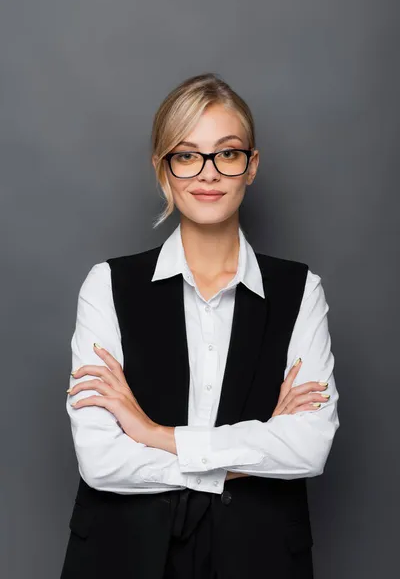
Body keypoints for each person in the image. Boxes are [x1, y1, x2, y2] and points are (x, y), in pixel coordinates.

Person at [60, 72, 339, 579]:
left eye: (227, 153)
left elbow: (308, 447)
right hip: (121, 556)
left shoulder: (301, 291)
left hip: (260, 557)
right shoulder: (106, 285)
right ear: (162, 170)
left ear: (251, 166)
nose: (207, 173)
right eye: (187, 155)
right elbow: (100, 460)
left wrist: (151, 433)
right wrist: (256, 447)